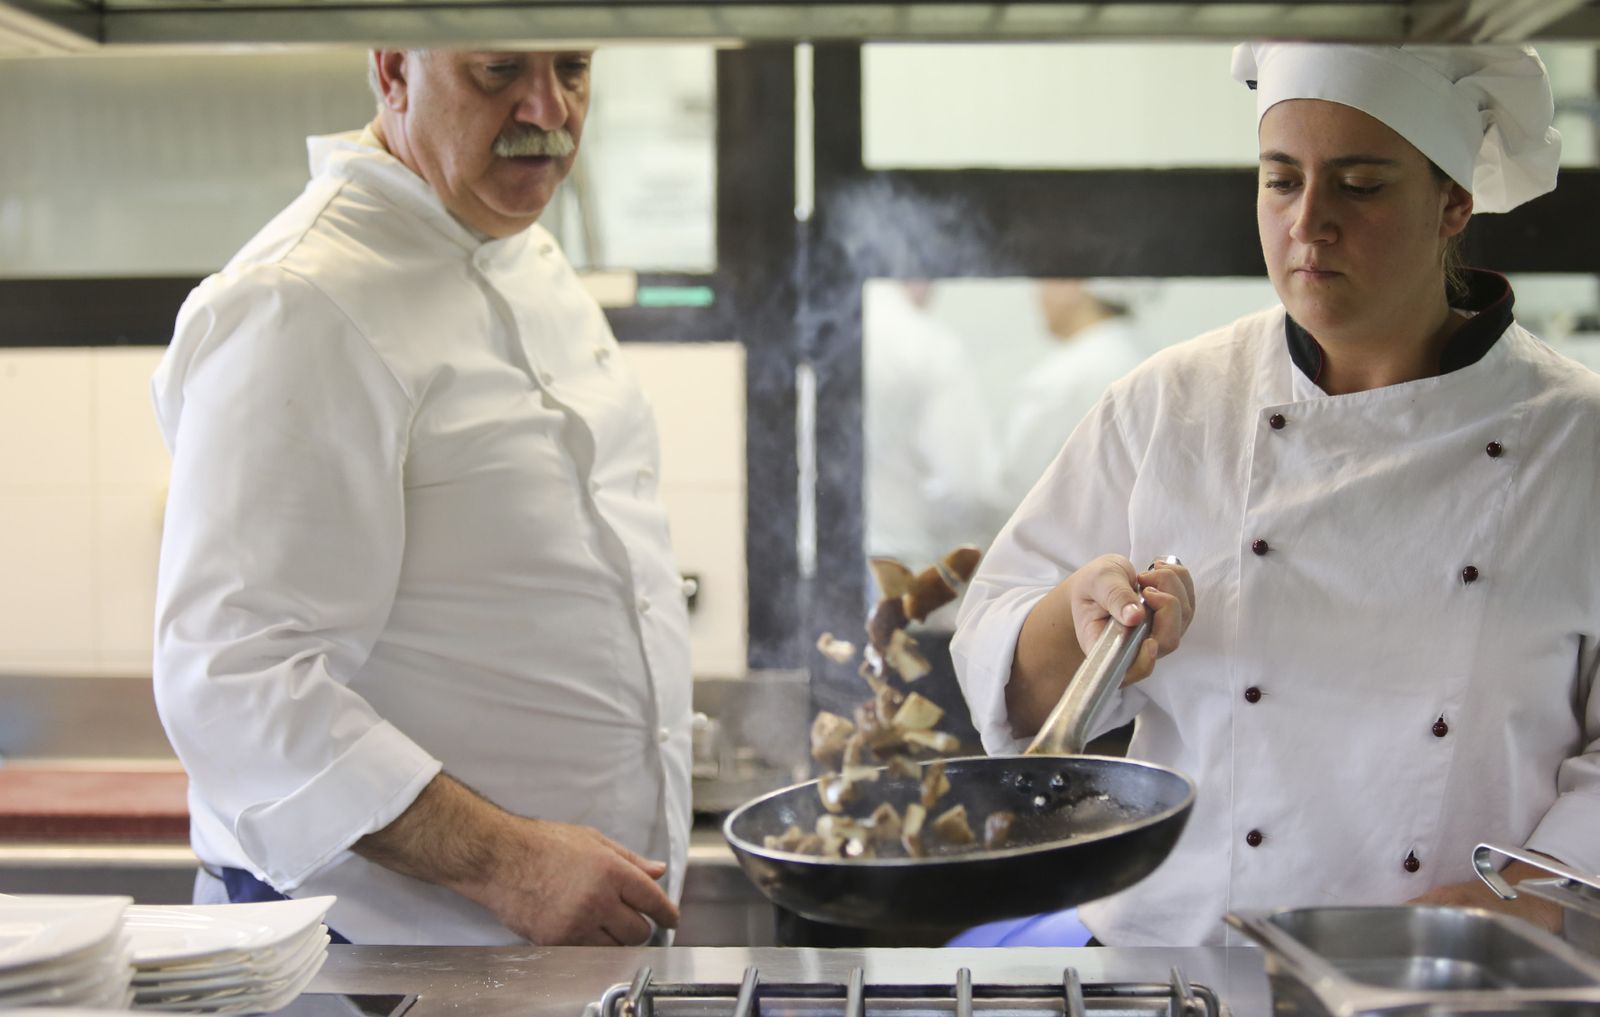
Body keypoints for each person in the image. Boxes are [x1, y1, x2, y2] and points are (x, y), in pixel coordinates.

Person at [952, 42, 1597, 947]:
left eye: (1360, 185)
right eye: (1281, 180)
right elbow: (1003, 673)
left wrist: (1520, 895)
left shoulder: (1577, 438)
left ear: (1453, 201)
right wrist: (1078, 622)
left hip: (1441, 976)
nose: (1310, 223)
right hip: (1181, 959)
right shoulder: (1173, 402)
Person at [150, 49, 691, 947]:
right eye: (497, 71)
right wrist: (507, 861)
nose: (547, 107)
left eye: (574, 66)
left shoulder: (525, 248)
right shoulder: (301, 300)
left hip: (555, 960)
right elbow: (231, 679)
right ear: (395, 69)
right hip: (370, 962)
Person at [997, 279, 1150, 514]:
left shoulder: (1062, 378)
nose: (1036, 295)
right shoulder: (1149, 360)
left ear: (1070, 285)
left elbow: (1014, 490)